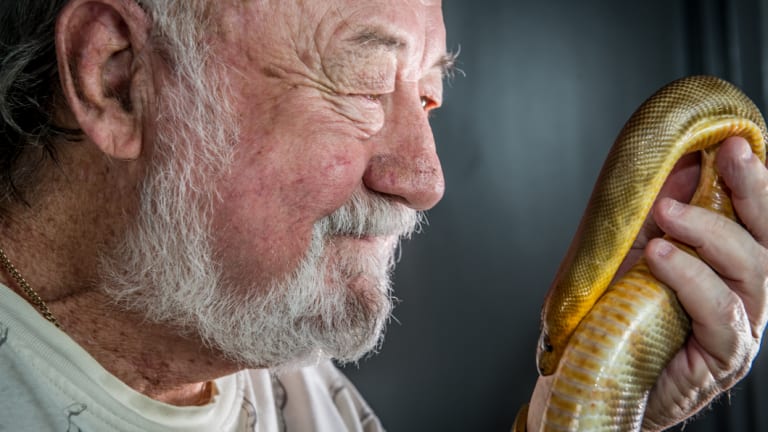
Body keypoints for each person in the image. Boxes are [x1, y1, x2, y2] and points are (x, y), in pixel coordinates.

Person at [0, 0, 765, 431]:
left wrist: (598, 401)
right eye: (364, 83)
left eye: (429, 95)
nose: (427, 180)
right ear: (118, 79)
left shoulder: (278, 362)